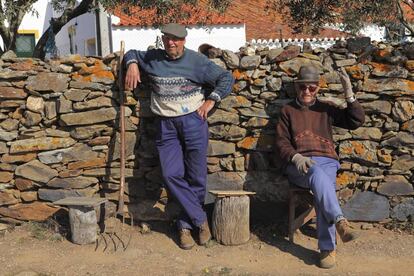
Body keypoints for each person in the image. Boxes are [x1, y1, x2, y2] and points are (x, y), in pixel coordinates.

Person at [123, 23, 234, 250]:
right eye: (167, 38)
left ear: (184, 40)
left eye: (176, 39)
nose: (171, 42)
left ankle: (184, 226)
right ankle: (200, 220)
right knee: (171, 173)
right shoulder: (153, 58)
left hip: (193, 121)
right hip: (165, 124)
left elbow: (226, 78)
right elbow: (131, 53)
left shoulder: (197, 62)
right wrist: (132, 64)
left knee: (196, 176)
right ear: (163, 40)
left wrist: (211, 100)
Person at [275, 65, 365, 269]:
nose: (306, 91)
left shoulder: (325, 108)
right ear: (296, 88)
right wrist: (295, 157)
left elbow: (356, 120)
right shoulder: (287, 110)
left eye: (312, 88)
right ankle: (335, 232)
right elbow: (281, 143)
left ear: (318, 88)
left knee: (323, 184)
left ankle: (328, 248)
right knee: (317, 174)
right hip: (299, 164)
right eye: (302, 87)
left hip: (327, 160)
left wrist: (349, 95)